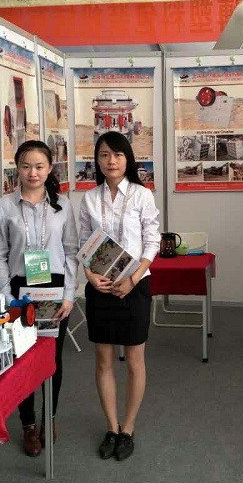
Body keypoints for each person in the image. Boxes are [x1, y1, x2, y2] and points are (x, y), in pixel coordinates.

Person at [0, 140, 79, 457]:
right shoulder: (5, 206)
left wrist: (69, 295)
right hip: (19, 290)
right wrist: (7, 297)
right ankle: (28, 424)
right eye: (26, 166)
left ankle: (48, 418)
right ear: (17, 168)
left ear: (50, 168)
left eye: (40, 166)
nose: (33, 173)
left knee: (52, 358)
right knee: (23, 358)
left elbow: (71, 252)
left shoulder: (62, 205)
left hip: (54, 289)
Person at [78, 131, 160, 461]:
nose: (111, 161)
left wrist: (133, 279)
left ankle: (128, 428)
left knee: (135, 361)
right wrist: (89, 275)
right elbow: (83, 243)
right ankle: (111, 427)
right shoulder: (89, 198)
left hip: (134, 287)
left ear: (128, 159)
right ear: (97, 161)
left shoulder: (142, 195)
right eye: (104, 155)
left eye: (118, 155)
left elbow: (152, 242)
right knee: (103, 360)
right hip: (100, 287)